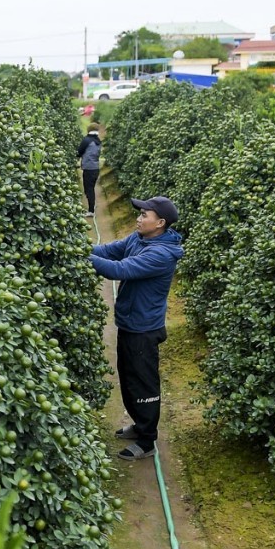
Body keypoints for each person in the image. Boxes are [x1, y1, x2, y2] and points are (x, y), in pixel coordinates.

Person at [89, 196, 183, 460]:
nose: (139, 219)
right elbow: (109, 252)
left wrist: (82, 258)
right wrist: (79, 248)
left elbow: (118, 269)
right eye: (139, 214)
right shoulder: (139, 239)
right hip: (130, 323)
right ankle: (139, 425)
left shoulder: (161, 254)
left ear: (160, 223)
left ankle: (147, 440)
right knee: (129, 378)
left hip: (144, 329)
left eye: (144, 215)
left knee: (144, 384)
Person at [76, 126, 102, 216]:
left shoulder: (87, 140)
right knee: (90, 188)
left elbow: (79, 152)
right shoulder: (98, 141)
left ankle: (91, 211)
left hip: (88, 168)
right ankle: (92, 205)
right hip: (95, 168)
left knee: (89, 189)